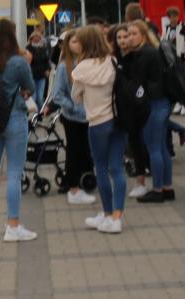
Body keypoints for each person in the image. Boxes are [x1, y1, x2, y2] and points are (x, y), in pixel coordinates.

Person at [0, 19, 38, 242]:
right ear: (12, 37)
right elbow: (30, 87)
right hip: (13, 120)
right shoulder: (18, 63)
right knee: (13, 173)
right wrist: (26, 60)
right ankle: (13, 226)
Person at [71, 25, 125, 233]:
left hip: (97, 123)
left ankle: (107, 213)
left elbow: (76, 95)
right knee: (117, 168)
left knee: (101, 169)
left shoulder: (81, 68)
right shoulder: (112, 61)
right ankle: (116, 217)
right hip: (118, 120)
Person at [126, 21, 174, 203]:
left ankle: (158, 189)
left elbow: (137, 82)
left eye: (133, 33)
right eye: (128, 34)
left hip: (153, 104)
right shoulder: (152, 51)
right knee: (161, 148)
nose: (130, 37)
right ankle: (167, 187)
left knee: (154, 148)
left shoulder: (143, 54)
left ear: (143, 35)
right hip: (162, 103)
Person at [48, 29, 95, 204]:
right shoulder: (63, 67)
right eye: (74, 42)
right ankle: (73, 189)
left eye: (80, 41)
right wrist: (73, 107)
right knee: (73, 152)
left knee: (85, 151)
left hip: (88, 116)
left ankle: (84, 182)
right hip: (73, 117)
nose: (78, 45)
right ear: (67, 45)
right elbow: (58, 94)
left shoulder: (88, 63)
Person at [111, 24, 148, 198]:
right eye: (119, 38)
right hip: (119, 108)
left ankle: (141, 181)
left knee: (136, 143)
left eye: (126, 37)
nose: (123, 40)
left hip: (136, 108)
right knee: (123, 145)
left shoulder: (137, 58)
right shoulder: (114, 58)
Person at [162, 6, 185, 116]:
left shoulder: (183, 26)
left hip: (181, 56)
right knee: (175, 81)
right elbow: (163, 41)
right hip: (171, 57)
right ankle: (179, 101)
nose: (173, 18)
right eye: (171, 16)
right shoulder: (167, 28)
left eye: (175, 16)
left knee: (183, 80)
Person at [26, 31, 50, 109]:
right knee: (33, 97)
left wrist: (48, 69)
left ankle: (40, 114)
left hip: (41, 75)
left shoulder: (42, 48)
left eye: (38, 38)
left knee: (39, 97)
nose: (36, 39)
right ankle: (31, 115)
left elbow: (46, 61)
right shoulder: (28, 48)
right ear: (31, 39)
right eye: (34, 38)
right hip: (31, 75)